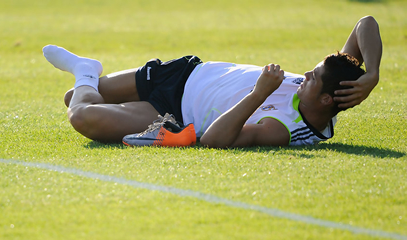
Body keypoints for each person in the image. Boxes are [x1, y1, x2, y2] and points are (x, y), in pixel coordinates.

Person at [42, 16, 382, 148]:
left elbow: (216, 141)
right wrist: (372, 74)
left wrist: (258, 93)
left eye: (312, 79)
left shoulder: (284, 128)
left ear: (325, 101)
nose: (304, 75)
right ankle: (85, 74)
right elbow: (365, 23)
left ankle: (85, 68)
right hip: (186, 73)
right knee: (75, 96)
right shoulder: (330, 89)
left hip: (175, 116)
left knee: (82, 112)